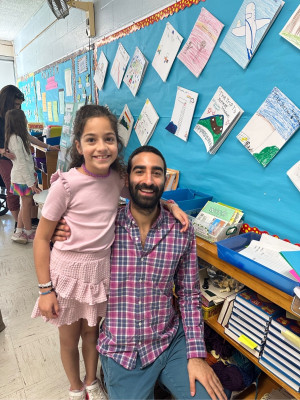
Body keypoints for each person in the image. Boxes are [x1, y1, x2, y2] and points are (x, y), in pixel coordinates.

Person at [31, 106, 187, 400]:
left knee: (92, 333)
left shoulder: (117, 178)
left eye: (109, 139)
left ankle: (92, 382)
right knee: (69, 337)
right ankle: (75, 388)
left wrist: (169, 205)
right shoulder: (65, 184)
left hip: (99, 272)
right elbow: (41, 239)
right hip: (67, 274)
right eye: (91, 140)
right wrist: (44, 290)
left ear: (118, 143)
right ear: (78, 145)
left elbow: (143, 196)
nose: (101, 147)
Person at [54, 145, 227, 400]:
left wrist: (197, 354)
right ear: (126, 179)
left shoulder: (181, 230)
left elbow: (189, 295)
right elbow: (66, 250)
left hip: (169, 341)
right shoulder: (104, 225)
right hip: (121, 349)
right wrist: (56, 234)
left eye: (156, 173)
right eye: (140, 172)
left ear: (165, 180)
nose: (148, 180)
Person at [0, 84, 58, 229]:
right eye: (15, 104)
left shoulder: (15, 117)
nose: (18, 108)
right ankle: (19, 226)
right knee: (14, 191)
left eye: (19, 105)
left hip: (18, 160)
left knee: (27, 194)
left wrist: (49, 147)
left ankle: (27, 222)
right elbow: (19, 163)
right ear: (6, 101)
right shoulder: (3, 119)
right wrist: (2, 151)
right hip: (6, 160)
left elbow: (29, 137)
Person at [5, 109, 41, 244]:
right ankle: (28, 231)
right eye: (24, 118)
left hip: (21, 177)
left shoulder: (17, 137)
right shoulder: (16, 139)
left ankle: (19, 232)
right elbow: (21, 164)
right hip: (22, 178)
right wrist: (31, 183)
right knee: (26, 204)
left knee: (24, 204)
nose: (26, 120)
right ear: (19, 121)